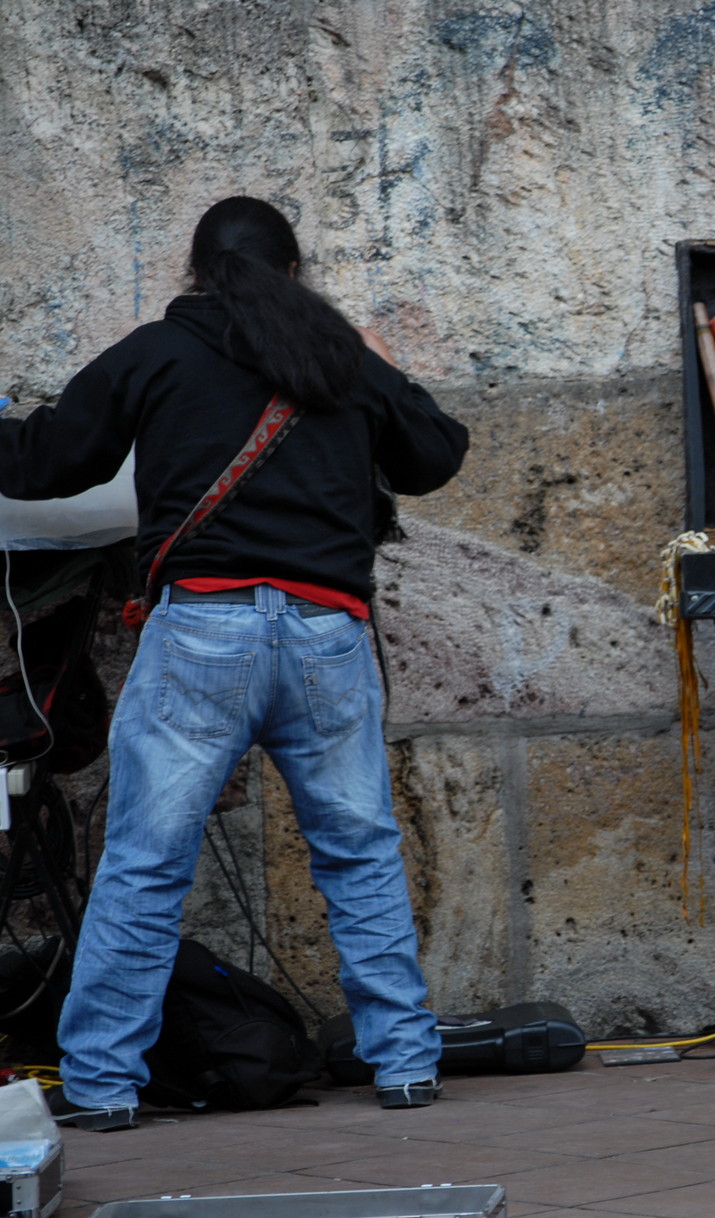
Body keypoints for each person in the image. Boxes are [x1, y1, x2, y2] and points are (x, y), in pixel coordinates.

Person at [0, 196, 468, 1131]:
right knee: (360, 853)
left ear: (196, 273)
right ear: (293, 274)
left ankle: (100, 1085)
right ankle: (405, 1063)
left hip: (203, 634)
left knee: (144, 864)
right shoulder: (337, 359)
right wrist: (366, 362)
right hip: (326, 635)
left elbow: (47, 461)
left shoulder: (160, 349)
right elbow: (436, 453)